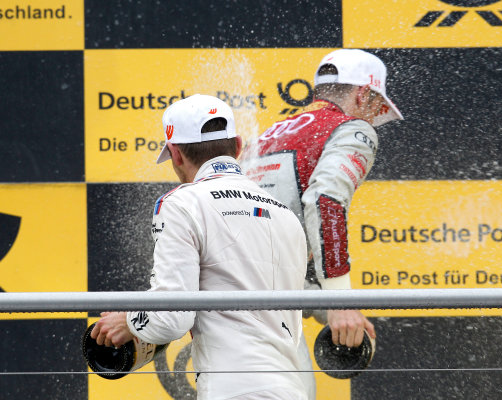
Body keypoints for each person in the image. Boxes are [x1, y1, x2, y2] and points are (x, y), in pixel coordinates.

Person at [91, 94, 309, 400]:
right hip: (292, 390)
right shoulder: (285, 214)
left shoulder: (183, 203)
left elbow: (171, 317)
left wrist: (128, 321)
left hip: (232, 391)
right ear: (237, 146)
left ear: (176, 154)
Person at [241, 49, 403, 396]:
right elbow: (326, 201)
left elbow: (273, 265)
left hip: (231, 304)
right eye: (376, 108)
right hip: (262, 312)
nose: (374, 120)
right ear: (363, 95)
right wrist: (340, 300)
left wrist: (324, 305)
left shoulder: (269, 135)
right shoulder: (352, 129)